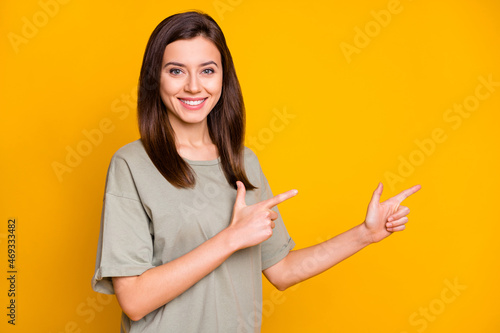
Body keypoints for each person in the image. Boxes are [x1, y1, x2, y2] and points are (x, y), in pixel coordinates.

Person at [91, 10, 421, 333]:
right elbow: (133, 299)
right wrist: (231, 238)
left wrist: (365, 234)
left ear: (223, 77)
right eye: (176, 71)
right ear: (155, 78)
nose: (193, 86)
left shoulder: (243, 163)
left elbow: (282, 270)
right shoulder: (132, 164)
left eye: (207, 71)